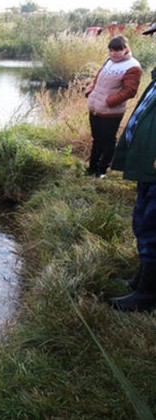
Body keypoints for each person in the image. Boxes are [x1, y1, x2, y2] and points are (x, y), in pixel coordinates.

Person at [109, 24, 156, 312]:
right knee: (143, 219)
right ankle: (143, 280)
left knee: (153, 224)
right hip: (148, 168)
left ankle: (148, 295)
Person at [85, 35, 142, 179]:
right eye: (111, 50)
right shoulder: (109, 61)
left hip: (111, 112)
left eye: (117, 50)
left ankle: (102, 171)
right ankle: (92, 169)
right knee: (97, 139)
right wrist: (90, 90)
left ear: (125, 49)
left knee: (108, 141)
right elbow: (98, 78)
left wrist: (109, 101)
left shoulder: (133, 66)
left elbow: (130, 91)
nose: (113, 53)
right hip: (95, 108)